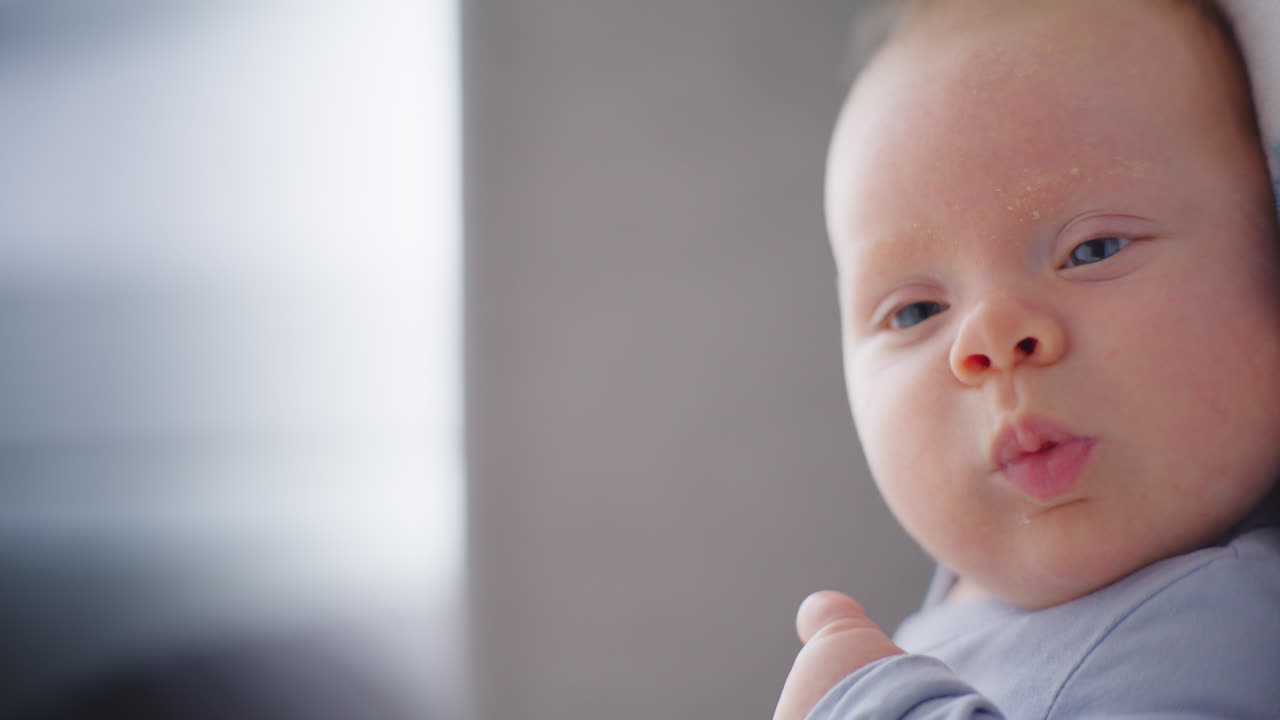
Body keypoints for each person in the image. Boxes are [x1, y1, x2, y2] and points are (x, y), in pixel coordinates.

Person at [773, 0, 1280, 717]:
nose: (990, 341)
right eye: (916, 312)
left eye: (1093, 250)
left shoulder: (1226, 620)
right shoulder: (964, 601)